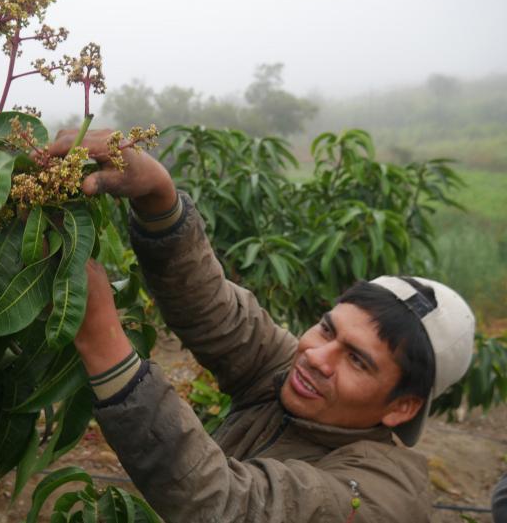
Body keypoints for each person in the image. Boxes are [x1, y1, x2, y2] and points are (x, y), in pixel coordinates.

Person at [48, 129, 477, 523]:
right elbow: (215, 312)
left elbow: (229, 505)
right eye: (328, 329)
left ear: (403, 406)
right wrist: (159, 197)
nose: (316, 358)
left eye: (359, 361)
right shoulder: (291, 374)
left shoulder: (381, 497)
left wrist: (103, 340)